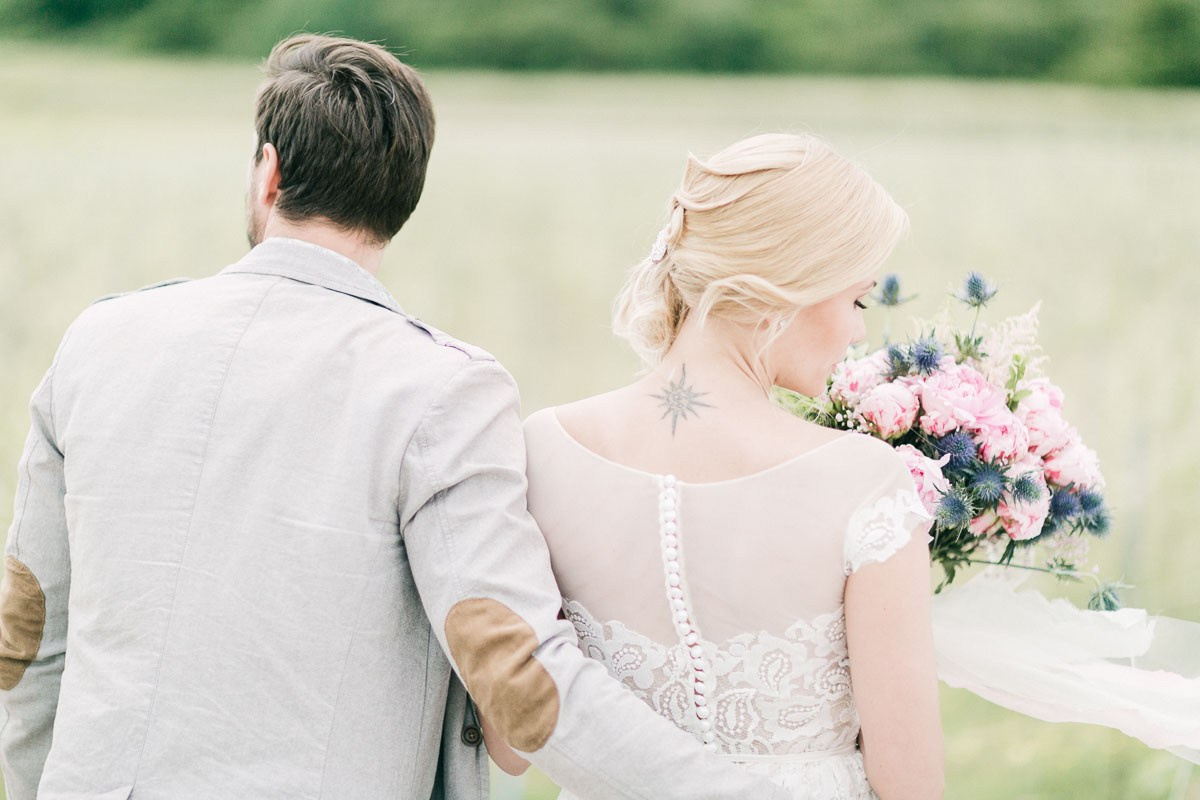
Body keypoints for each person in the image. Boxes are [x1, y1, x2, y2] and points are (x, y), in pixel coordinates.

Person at [0, 35, 795, 800]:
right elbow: (514, 671)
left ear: (268, 174)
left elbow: (28, 635)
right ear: (401, 199)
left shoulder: (97, 340)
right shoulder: (440, 389)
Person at [516, 134, 946, 798]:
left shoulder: (541, 448)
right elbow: (910, 787)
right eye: (857, 300)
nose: (861, 332)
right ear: (785, 286)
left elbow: (511, 742)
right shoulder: (863, 483)